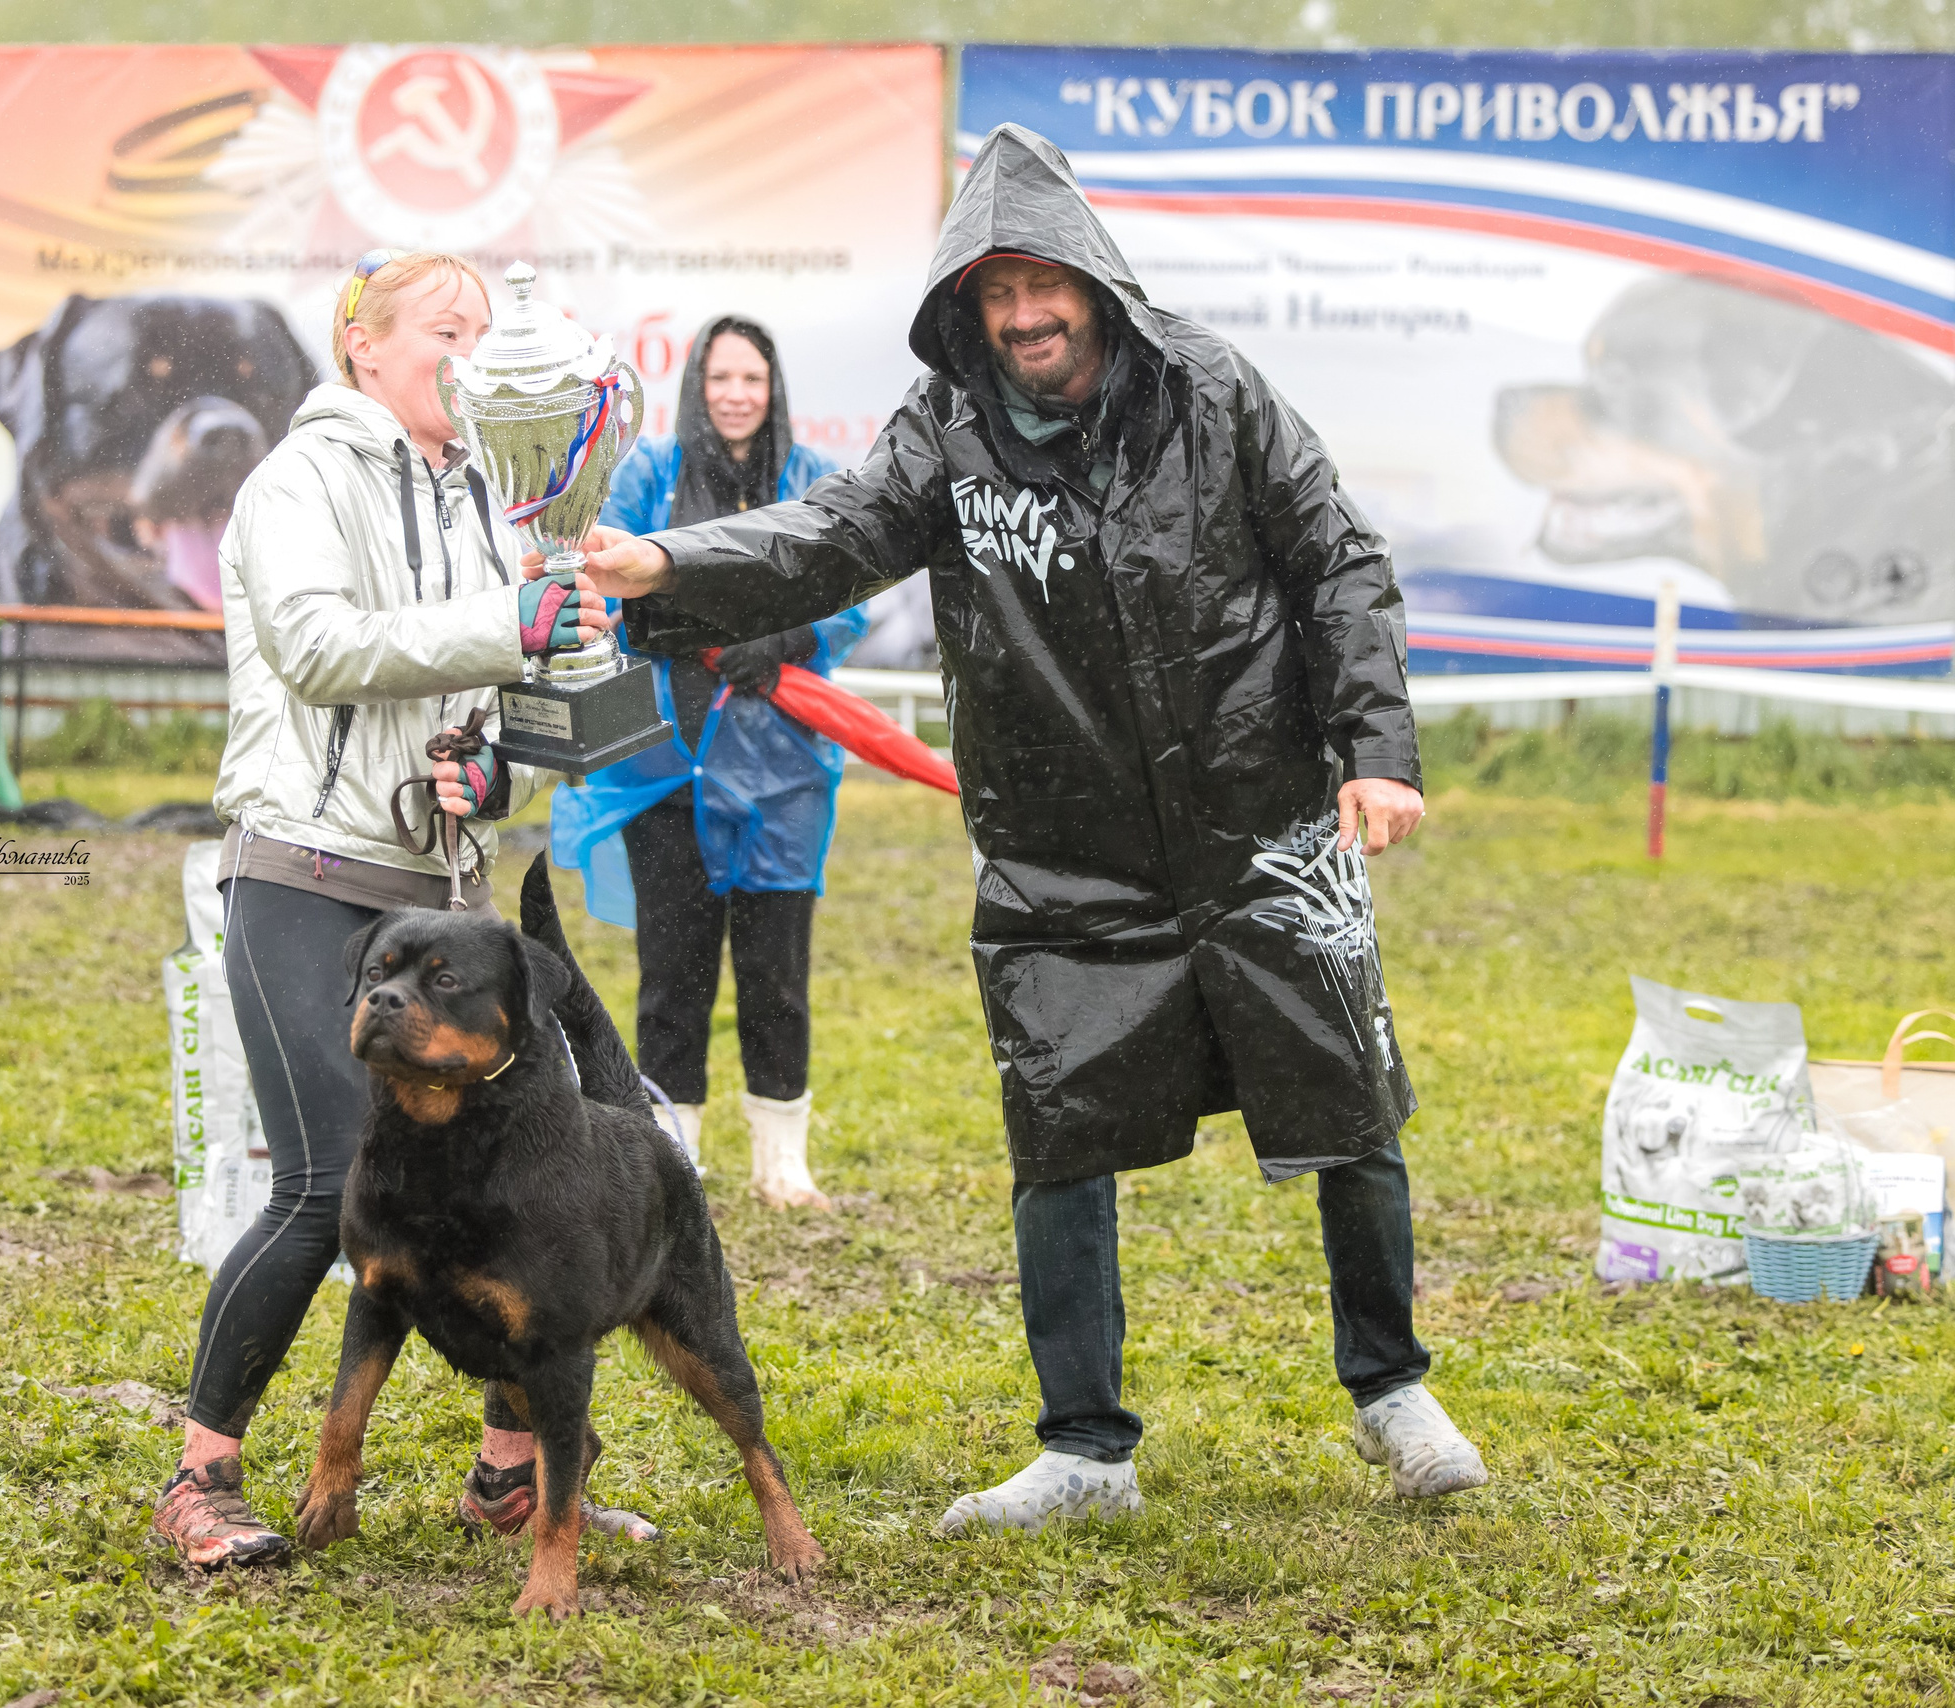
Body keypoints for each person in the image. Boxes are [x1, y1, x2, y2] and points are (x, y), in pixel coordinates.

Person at [572, 125, 1490, 1533]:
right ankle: (1085, 1452)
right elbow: (829, 537)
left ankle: (1392, 1387)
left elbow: (1338, 561)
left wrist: (1375, 750)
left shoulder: (1213, 389)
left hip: (1262, 823)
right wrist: (665, 567)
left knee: (1347, 1109)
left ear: (1093, 282)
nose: (1022, 318)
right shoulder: (947, 427)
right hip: (1061, 850)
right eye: (992, 295)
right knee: (1057, 1131)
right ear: (965, 307)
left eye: (1040, 287)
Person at [153, 249, 648, 1568]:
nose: (471, 357)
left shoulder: (496, 490)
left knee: (539, 1185)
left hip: (447, 897)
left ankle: (509, 1474)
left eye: (484, 335)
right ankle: (200, 1480)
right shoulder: (294, 482)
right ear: (362, 347)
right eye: (446, 330)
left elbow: (481, 692)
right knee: (325, 1189)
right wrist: (507, 622)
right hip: (306, 878)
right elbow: (318, 648)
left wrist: (491, 767)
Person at [548, 317, 870, 1210]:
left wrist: (795, 633)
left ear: (773, 390)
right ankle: (672, 1159)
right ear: (698, 384)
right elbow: (609, 570)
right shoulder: (653, 472)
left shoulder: (810, 479)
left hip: (785, 775)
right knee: (673, 972)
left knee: (777, 973)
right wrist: (699, 631)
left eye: (753, 379)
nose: (737, 394)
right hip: (666, 768)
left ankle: (782, 1159)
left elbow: (850, 587)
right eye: (721, 377)